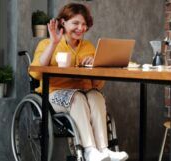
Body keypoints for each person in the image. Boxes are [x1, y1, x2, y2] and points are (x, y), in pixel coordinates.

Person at [29, 3, 128, 161]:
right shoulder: (46, 44)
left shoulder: (88, 47)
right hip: (54, 94)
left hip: (85, 94)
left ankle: (103, 150)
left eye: (84, 24)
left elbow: (97, 85)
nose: (81, 28)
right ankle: (89, 150)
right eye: (75, 23)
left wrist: (95, 66)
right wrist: (54, 43)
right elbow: (35, 72)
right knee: (78, 98)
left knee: (96, 96)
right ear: (63, 22)